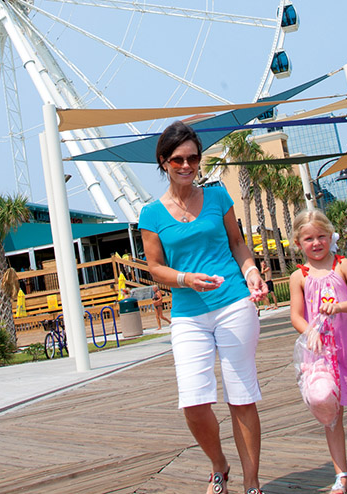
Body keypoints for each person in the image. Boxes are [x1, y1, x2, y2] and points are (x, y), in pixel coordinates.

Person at [140, 121, 270, 494]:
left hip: (233, 303)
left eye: (193, 158)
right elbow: (155, 268)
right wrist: (185, 278)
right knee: (194, 402)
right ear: (163, 162)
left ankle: (251, 482)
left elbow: (238, 243)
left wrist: (251, 272)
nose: (187, 166)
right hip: (188, 313)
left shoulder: (217, 196)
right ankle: (219, 464)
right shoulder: (151, 214)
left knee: (241, 395)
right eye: (178, 159)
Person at [289, 209, 347, 493]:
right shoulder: (299, 276)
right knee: (330, 410)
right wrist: (310, 331)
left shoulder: (343, 265)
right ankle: (342, 473)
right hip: (320, 354)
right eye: (308, 239)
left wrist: (340, 307)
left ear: (331, 237)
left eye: (321, 237)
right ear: (298, 243)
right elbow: (296, 315)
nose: (316, 243)